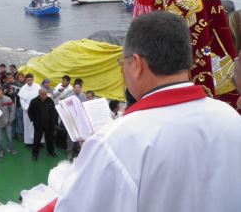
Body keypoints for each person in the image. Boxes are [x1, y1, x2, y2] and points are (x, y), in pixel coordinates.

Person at [56, 11, 241, 212]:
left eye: (122, 63)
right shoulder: (231, 117)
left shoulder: (115, 142)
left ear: (136, 64)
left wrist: (94, 155)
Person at [28, 88, 57, 161]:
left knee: (49, 139)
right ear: (39, 94)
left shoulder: (50, 101)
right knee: (37, 140)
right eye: (43, 94)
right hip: (38, 124)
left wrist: (53, 122)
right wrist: (34, 121)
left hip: (49, 124)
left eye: (45, 94)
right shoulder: (34, 101)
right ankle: (35, 154)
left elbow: (53, 112)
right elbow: (30, 112)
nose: (44, 96)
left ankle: (51, 152)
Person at [0, 86, 17, 156]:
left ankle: (11, 148)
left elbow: (12, 109)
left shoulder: (8, 99)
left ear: (2, 91)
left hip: (7, 122)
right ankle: (1, 150)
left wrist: (10, 119)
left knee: (9, 137)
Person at [18, 73, 40, 145]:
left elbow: (40, 98)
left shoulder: (37, 87)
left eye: (31, 80)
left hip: (37, 110)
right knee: (27, 126)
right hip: (27, 111)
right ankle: (28, 142)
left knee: (37, 126)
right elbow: (22, 100)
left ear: (33, 80)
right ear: (25, 80)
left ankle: (39, 141)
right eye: (27, 80)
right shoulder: (23, 88)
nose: (29, 82)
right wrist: (27, 108)